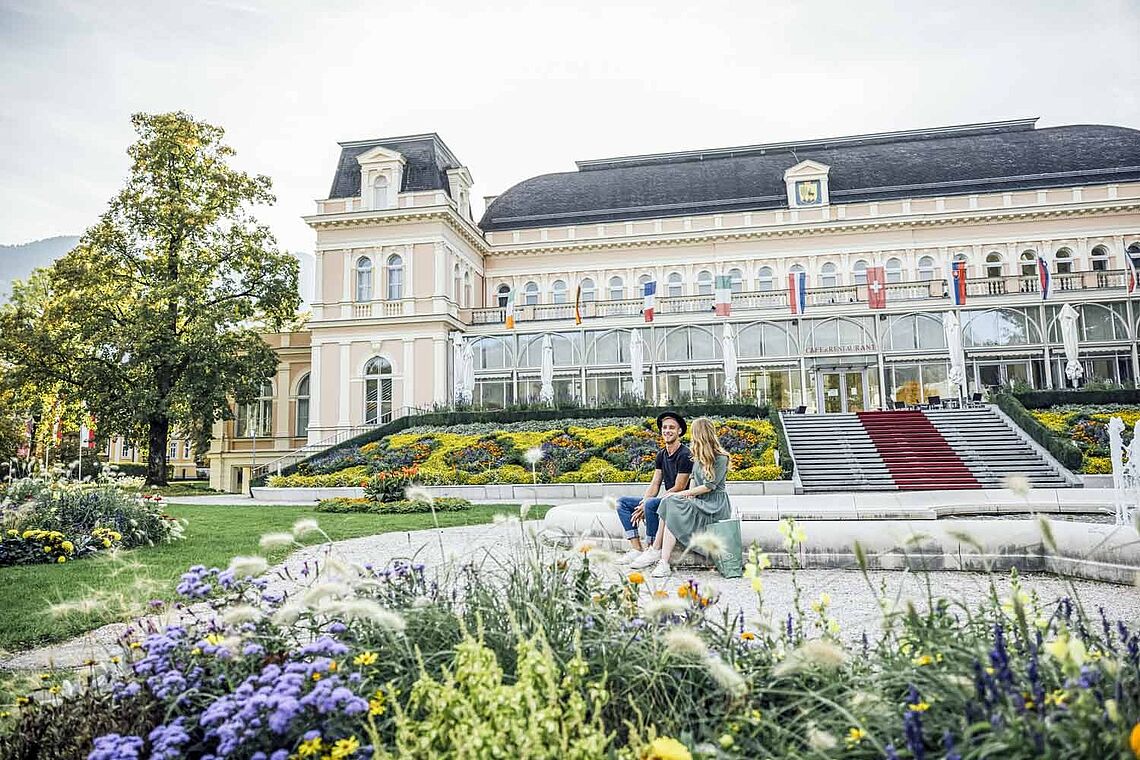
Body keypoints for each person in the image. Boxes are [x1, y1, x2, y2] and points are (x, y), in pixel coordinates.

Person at [636, 417, 732, 578]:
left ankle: (657, 551)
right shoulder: (696, 457)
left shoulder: (721, 458)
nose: (692, 437)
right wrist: (685, 498)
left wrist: (680, 494)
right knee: (670, 503)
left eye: (695, 433)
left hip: (715, 505)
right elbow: (694, 483)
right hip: (699, 501)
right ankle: (662, 559)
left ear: (701, 434)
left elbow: (709, 486)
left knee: (671, 499)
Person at [615, 412, 692, 566]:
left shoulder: (685, 455)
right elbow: (655, 483)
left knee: (651, 504)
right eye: (664, 428)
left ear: (679, 431)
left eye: (672, 428)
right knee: (622, 503)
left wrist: (648, 503)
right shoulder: (661, 455)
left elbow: (679, 487)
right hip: (665, 498)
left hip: (679, 501)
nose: (667, 431)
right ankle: (637, 549)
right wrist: (643, 502)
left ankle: (652, 549)